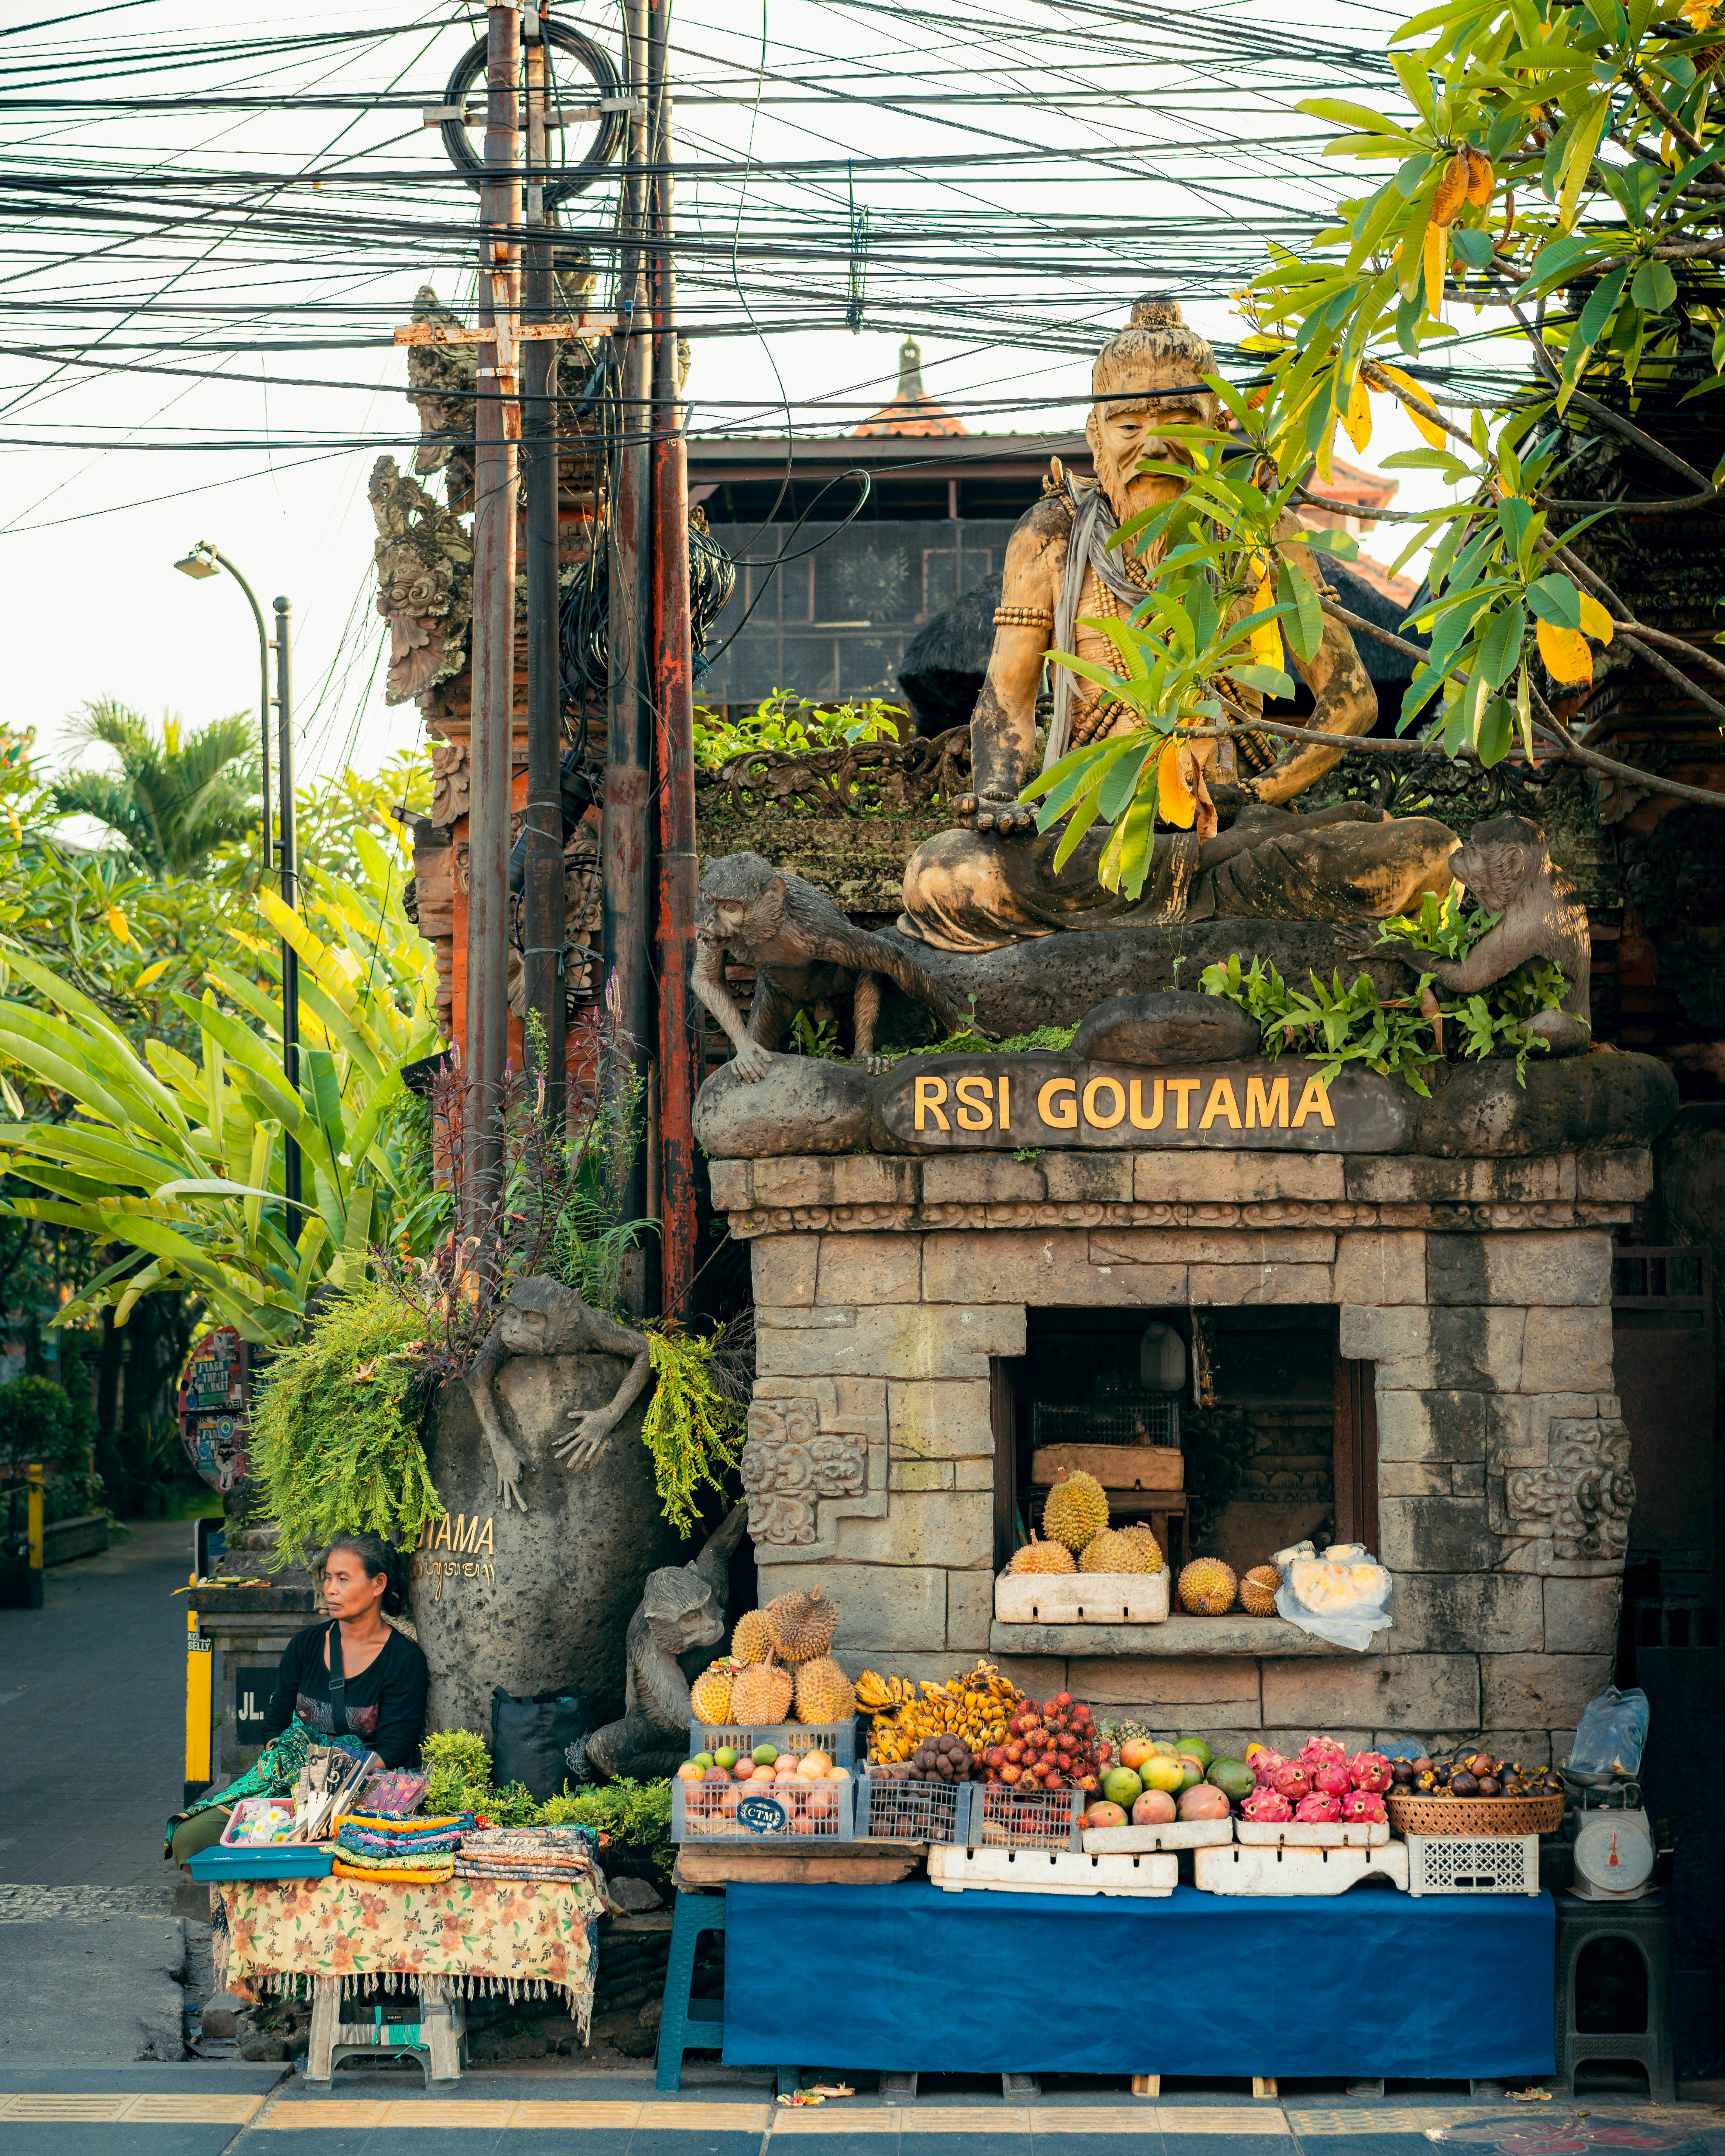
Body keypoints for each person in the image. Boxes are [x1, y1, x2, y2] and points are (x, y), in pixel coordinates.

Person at [896, 296, 1458, 952]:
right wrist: (997, 797)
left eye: (1178, 421)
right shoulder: (1050, 534)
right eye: (1129, 426)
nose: (1155, 444)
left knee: (1430, 851)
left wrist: (1257, 791)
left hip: (1230, 825)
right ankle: (1204, 912)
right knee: (943, 875)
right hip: (1093, 825)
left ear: (1218, 426)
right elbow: (1008, 697)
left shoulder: (1261, 531)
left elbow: (1351, 699)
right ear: (1095, 435)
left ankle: (1185, 902)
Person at [166, 1531, 430, 1868]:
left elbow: (395, 1749)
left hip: (358, 1792)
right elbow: (274, 1725)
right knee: (189, 1838)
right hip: (290, 1780)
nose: (331, 1590)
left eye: (344, 1579)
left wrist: (328, 1778)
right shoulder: (306, 1646)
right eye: (329, 1578)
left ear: (378, 1584)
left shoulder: (403, 1659)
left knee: (313, 1849)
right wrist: (292, 1764)